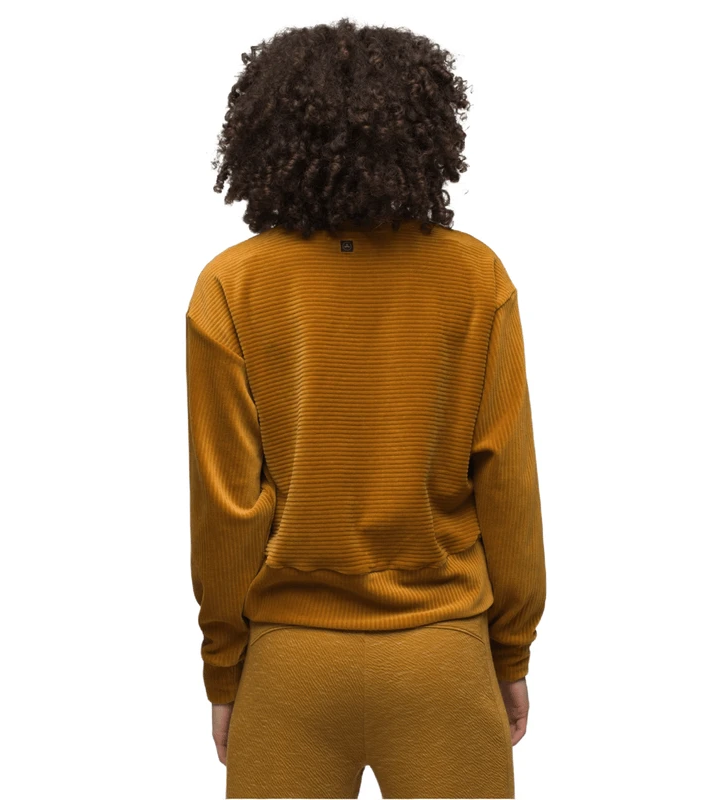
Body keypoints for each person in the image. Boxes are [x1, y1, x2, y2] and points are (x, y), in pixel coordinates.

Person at [185, 17, 547, 800]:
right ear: (424, 133)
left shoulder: (231, 287)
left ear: (266, 136)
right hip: (443, 657)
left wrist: (224, 668)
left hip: (290, 667)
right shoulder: (475, 278)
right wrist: (511, 651)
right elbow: (508, 485)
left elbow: (227, 509)